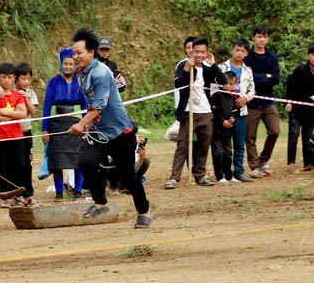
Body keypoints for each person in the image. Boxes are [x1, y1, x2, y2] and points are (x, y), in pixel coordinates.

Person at [69, 28, 152, 228]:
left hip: (120, 133)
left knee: (128, 177)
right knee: (85, 161)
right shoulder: (82, 74)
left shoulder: (101, 72)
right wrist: (87, 126)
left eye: (79, 53)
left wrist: (81, 123)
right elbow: (91, 106)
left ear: (91, 52)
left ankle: (145, 212)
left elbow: (100, 105)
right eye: (73, 53)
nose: (75, 57)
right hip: (99, 132)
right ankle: (100, 202)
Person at [166, 37, 224, 188]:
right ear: (191, 51)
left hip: (205, 111)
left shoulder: (207, 68)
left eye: (202, 52)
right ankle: (174, 178)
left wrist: (213, 63)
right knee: (183, 145)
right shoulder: (184, 66)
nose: (198, 54)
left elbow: (223, 80)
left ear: (206, 53)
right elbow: (178, 84)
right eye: (196, 51)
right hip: (188, 111)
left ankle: (200, 176)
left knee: (204, 145)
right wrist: (186, 69)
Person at [42, 48, 85, 200]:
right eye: (65, 63)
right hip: (57, 125)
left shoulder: (80, 81)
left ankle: (78, 190)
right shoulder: (53, 82)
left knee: (78, 158)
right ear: (60, 64)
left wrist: (86, 126)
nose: (68, 67)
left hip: (76, 124)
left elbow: (85, 105)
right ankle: (59, 193)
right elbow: (46, 107)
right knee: (57, 160)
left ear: (75, 65)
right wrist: (44, 129)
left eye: (71, 64)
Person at [0, 63, 29, 206]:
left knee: (20, 165)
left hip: (17, 136)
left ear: (14, 79)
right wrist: (14, 115)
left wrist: (4, 112)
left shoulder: (18, 95)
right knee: (3, 167)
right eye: (3, 77)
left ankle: (19, 195)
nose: (6, 80)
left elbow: (23, 114)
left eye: (10, 77)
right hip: (0, 137)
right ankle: (6, 197)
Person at [244, 24, 281, 177]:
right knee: (250, 136)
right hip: (251, 101)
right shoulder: (247, 56)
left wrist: (258, 76)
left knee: (275, 131)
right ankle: (254, 166)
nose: (262, 39)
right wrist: (266, 76)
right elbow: (247, 78)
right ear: (253, 38)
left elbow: (276, 79)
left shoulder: (272, 57)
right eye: (259, 36)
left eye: (265, 36)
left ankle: (263, 160)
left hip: (268, 101)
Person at [284, 44, 314, 171]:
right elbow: (290, 86)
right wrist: (288, 102)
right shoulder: (300, 70)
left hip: (310, 111)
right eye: (313, 55)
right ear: (309, 56)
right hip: (296, 109)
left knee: (308, 137)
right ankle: (291, 162)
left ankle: (308, 163)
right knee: (293, 134)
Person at [217, 40, 255, 182]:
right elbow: (214, 87)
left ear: (246, 54)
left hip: (241, 112)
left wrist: (245, 99)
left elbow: (252, 90)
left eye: (243, 51)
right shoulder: (221, 68)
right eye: (237, 50)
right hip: (224, 112)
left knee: (239, 144)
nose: (239, 53)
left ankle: (238, 171)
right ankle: (222, 172)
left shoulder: (248, 71)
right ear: (232, 50)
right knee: (222, 144)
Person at [14, 62, 37, 202]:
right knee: (17, 163)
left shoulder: (31, 93)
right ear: (16, 79)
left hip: (27, 131)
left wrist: (26, 98)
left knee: (28, 162)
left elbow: (33, 111)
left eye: (29, 79)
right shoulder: (10, 91)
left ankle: (28, 192)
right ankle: (17, 191)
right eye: (23, 79)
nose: (26, 82)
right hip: (14, 133)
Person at [211, 69, 238, 185]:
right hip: (217, 130)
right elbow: (213, 112)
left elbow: (234, 112)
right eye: (226, 83)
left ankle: (229, 175)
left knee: (228, 153)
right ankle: (219, 175)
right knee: (218, 152)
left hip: (228, 131)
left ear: (235, 84)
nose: (228, 86)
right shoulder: (216, 95)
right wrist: (222, 121)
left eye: (231, 84)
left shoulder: (232, 97)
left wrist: (232, 119)